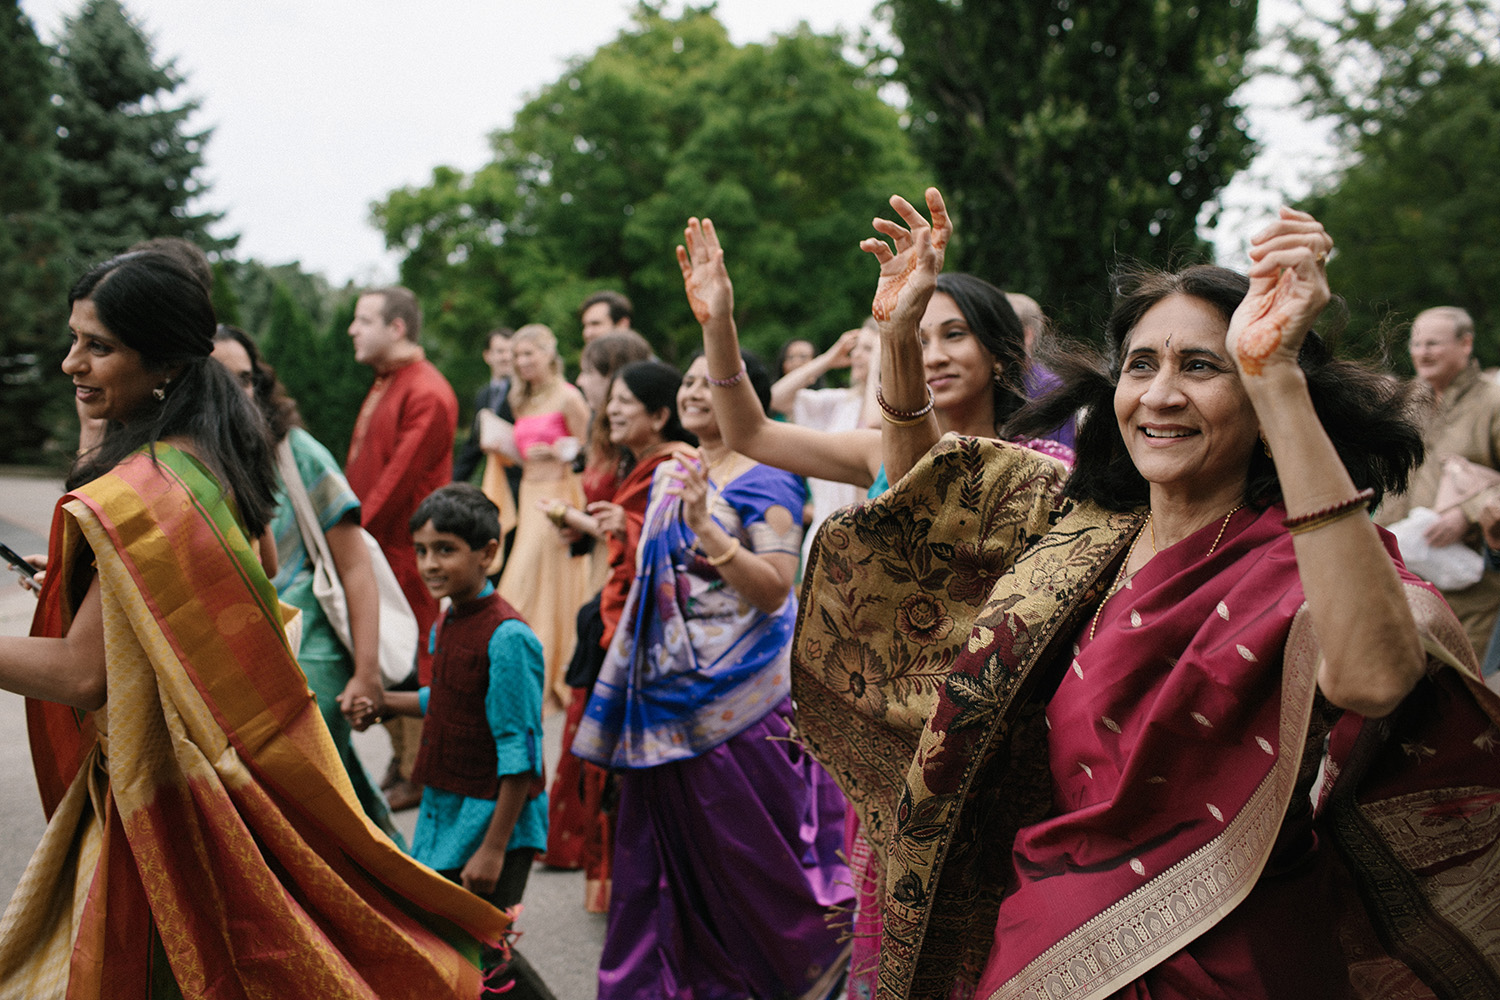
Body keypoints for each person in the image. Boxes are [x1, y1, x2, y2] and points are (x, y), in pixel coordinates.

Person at [793, 199, 1500, 999]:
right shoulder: (1076, 527)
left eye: (1202, 367)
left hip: (1228, 952)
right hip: (1040, 931)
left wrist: (1277, 376)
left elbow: (1375, 678)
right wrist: (897, 339)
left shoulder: (1303, 558)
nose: (1161, 395)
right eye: (1141, 365)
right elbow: (928, 525)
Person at [0, 251, 507, 996]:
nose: (71, 361)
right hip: (194, 781)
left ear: (164, 360)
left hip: (171, 796)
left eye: (98, 346)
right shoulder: (199, 462)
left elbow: (82, 673)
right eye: (75, 339)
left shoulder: (148, 490)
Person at [572, 351, 853, 1000]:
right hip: (661, 713)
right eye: (690, 380)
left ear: (744, 396)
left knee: (746, 878)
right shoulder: (679, 473)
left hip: (739, 714)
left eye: (712, 380)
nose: (697, 390)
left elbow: (776, 591)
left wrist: (706, 528)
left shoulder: (770, 480)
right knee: (655, 876)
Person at [676, 207, 1073, 511]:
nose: (933, 357)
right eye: (918, 339)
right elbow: (749, 434)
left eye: (954, 335)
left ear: (999, 354)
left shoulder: (1041, 466)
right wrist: (717, 325)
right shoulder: (878, 454)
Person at [351, 483, 550, 996]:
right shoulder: (449, 620)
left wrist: (493, 849)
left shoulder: (508, 638)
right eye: (421, 550)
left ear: (488, 552)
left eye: (446, 550)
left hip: (493, 822)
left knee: (487, 953)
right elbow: (446, 701)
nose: (430, 564)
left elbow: (521, 752)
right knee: (455, 944)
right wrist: (380, 704)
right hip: (448, 811)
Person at [210, 324, 401, 842]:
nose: (238, 392)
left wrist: (366, 674)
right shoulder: (182, 461)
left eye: (247, 379)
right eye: (221, 379)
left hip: (310, 652)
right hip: (227, 660)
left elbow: (355, 565)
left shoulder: (296, 453)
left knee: (314, 811)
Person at [542, 360, 695, 911]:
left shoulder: (674, 466)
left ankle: (639, 887)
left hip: (642, 626)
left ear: (660, 415)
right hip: (613, 608)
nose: (612, 411)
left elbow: (669, 545)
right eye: (612, 402)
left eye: (625, 402)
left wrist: (606, 526)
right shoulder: (641, 464)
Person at [345, 284, 459, 812]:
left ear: (397, 328)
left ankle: (419, 770)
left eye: (363, 319)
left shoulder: (427, 391)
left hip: (404, 552)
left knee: (410, 656)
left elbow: (396, 481)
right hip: (376, 548)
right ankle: (403, 760)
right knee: (386, 650)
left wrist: (350, 536)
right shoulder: (386, 383)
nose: (352, 329)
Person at [1375, 306, 1500, 662]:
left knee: (1468, 699)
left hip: (1471, 592)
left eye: (1433, 343)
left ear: (1466, 344)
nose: (1423, 352)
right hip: (1400, 577)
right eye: (1416, 343)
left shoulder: (1493, 403)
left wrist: (1466, 513)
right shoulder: (1407, 403)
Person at [496, 323, 593, 712]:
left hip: (558, 495)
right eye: (517, 356)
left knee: (521, 581)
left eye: (528, 354)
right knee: (535, 582)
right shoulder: (520, 400)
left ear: (548, 355)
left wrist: (556, 451)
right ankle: (526, 671)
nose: (521, 363)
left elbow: (591, 448)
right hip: (528, 494)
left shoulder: (569, 397)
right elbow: (520, 448)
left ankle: (546, 671)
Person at [768, 321, 879, 564]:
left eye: (869, 349)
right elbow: (776, 398)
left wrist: (878, 368)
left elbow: (874, 423)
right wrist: (829, 358)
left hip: (873, 550)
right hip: (825, 544)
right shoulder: (839, 404)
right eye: (856, 348)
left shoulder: (898, 409)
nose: (856, 355)